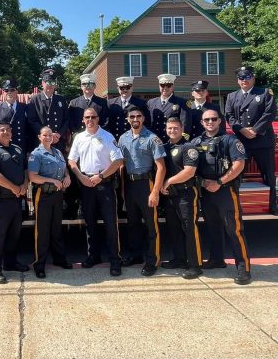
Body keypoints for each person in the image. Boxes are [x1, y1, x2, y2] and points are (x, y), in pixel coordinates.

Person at [191, 108, 252, 285]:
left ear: (219, 121)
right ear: (202, 123)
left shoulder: (230, 140)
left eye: (213, 119)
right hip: (206, 191)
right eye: (206, 120)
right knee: (213, 227)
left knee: (234, 229)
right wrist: (203, 183)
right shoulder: (196, 142)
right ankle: (217, 259)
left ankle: (244, 268)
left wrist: (219, 182)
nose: (210, 122)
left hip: (226, 190)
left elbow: (239, 164)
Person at [68, 107, 125, 277]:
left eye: (93, 117)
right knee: (90, 223)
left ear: (98, 118)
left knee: (110, 224)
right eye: (87, 117)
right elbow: (72, 160)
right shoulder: (79, 137)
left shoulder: (107, 136)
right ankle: (94, 256)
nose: (90, 120)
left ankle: (115, 259)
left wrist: (101, 176)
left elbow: (118, 160)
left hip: (104, 184)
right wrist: (80, 177)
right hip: (86, 184)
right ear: (83, 120)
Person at [117, 106, 166, 276]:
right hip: (130, 185)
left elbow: (161, 167)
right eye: (132, 116)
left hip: (147, 184)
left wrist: (155, 192)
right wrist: (123, 190)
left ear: (143, 118)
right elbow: (122, 164)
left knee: (151, 225)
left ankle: (153, 260)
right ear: (127, 119)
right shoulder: (123, 138)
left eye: (138, 116)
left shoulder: (152, 138)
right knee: (133, 223)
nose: (135, 119)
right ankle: (136, 255)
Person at [225, 66, 278, 215]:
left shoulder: (265, 93)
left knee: (268, 175)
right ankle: (235, 206)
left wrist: (255, 130)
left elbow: (270, 113)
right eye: (241, 78)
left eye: (247, 77)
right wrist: (242, 130)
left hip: (263, 141)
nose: (244, 80)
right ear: (238, 80)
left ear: (253, 78)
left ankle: (272, 206)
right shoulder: (231, 96)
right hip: (242, 142)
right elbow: (229, 116)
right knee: (237, 174)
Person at [0, 122, 30, 284]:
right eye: (2, 130)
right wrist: (14, 187)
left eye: (8, 130)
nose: (6, 132)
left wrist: (24, 185)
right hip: (1, 200)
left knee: (14, 234)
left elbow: (25, 170)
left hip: (16, 200)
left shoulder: (17, 149)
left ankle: (10, 263)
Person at [160, 116, 203, 279]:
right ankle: (179, 260)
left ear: (182, 129)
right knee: (174, 229)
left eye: (175, 128)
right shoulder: (164, 147)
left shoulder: (188, 147)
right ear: (166, 129)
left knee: (189, 228)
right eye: (169, 128)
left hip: (186, 193)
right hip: (170, 195)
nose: (172, 131)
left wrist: (168, 181)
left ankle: (195, 265)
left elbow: (189, 171)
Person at [27, 126, 73, 278]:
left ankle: (59, 259)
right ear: (39, 137)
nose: (48, 137)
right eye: (45, 135)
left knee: (56, 228)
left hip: (57, 195)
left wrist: (67, 176)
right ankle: (39, 264)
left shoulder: (58, 152)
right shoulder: (36, 154)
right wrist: (52, 180)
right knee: (43, 230)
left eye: (50, 135)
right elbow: (33, 177)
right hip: (43, 194)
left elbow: (64, 168)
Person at [27, 68, 69, 153]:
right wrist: (48, 135)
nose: (50, 85)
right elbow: (32, 120)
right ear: (42, 83)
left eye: (52, 83)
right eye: (48, 82)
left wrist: (59, 134)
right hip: (41, 142)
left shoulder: (61, 99)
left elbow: (66, 119)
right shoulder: (35, 100)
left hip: (58, 141)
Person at [0, 78, 29, 154]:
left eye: (12, 90)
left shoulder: (25, 108)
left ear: (16, 91)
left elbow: (29, 130)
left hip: (21, 149)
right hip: (1, 150)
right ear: (3, 92)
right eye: (6, 90)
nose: (9, 92)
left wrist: (29, 150)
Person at [146, 73, 190, 142]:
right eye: (162, 85)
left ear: (172, 86)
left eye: (168, 85)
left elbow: (185, 125)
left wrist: (181, 142)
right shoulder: (151, 103)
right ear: (159, 86)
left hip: (173, 141)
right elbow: (147, 123)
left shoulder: (182, 103)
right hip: (154, 141)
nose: (165, 88)